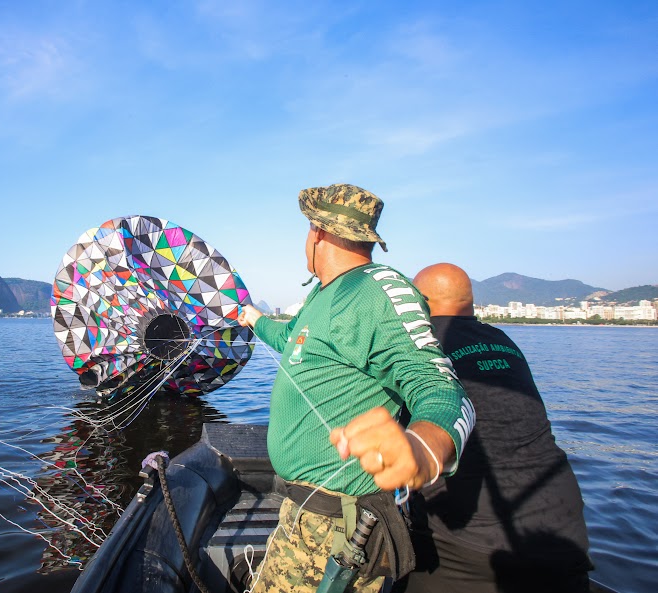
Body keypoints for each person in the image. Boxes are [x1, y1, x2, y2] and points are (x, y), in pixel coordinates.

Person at [237, 184, 475, 593]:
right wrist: (256, 320)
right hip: (302, 514)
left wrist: (422, 449)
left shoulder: (378, 289)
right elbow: (292, 338)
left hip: (336, 530)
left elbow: (439, 387)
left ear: (318, 233)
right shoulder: (323, 295)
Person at [391, 263, 592, 593]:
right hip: (563, 526)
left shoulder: (421, 348)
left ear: (419, 303)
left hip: (469, 541)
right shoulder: (503, 341)